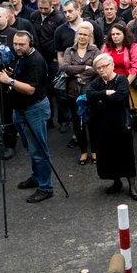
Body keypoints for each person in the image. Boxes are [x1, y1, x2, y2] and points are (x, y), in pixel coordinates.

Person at [0, 31, 55, 203]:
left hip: (34, 109)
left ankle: (46, 187)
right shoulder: (21, 57)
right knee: (30, 147)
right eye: (15, 44)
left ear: (30, 44)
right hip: (20, 110)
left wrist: (8, 81)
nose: (17, 48)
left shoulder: (35, 61)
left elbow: (30, 89)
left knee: (39, 150)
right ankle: (36, 177)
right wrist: (13, 75)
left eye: (22, 45)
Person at [85, 53, 137, 201]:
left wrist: (101, 99)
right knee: (109, 155)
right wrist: (106, 93)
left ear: (112, 65)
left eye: (105, 66)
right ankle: (117, 183)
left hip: (121, 125)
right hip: (103, 126)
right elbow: (89, 95)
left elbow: (121, 96)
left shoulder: (121, 79)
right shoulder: (97, 82)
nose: (102, 70)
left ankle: (132, 187)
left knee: (126, 155)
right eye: (99, 68)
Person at [59, 21, 100, 165]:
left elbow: (96, 69)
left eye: (85, 35)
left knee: (93, 122)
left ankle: (94, 151)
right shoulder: (69, 50)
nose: (82, 37)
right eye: (80, 34)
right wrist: (84, 68)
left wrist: (77, 71)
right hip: (72, 92)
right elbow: (65, 68)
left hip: (90, 92)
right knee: (78, 123)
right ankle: (83, 151)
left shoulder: (95, 50)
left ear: (90, 37)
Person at [100, 23, 137, 127]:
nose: (115, 36)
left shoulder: (132, 46)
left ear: (124, 34)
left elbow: (136, 67)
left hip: (128, 82)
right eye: (113, 34)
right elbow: (101, 65)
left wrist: (124, 85)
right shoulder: (107, 47)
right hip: (109, 83)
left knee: (128, 114)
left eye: (118, 34)